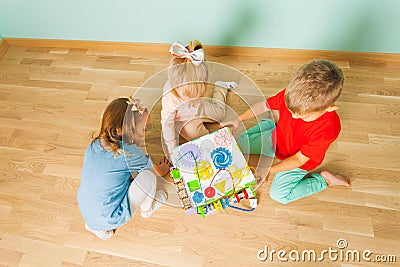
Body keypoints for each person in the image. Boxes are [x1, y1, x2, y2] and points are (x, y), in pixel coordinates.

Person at [222, 59, 350, 204]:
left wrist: (268, 170)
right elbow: (265, 105)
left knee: (279, 196)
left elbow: (299, 159)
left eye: (303, 116)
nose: (293, 117)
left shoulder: (327, 130)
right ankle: (270, 124)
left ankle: (324, 180)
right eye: (290, 110)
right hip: (279, 139)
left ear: (330, 108)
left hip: (299, 161)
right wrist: (238, 119)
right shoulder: (292, 96)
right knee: (240, 144)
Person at [77, 97, 167, 240]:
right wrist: (161, 169)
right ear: (126, 130)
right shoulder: (128, 152)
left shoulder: (94, 145)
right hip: (112, 216)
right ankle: (147, 209)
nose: (146, 133)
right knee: (148, 178)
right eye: (143, 129)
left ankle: (96, 227)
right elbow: (152, 169)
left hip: (87, 210)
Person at [160, 40, 237, 161]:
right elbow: (167, 125)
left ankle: (220, 87)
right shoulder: (170, 100)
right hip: (184, 120)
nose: (194, 97)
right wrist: (172, 151)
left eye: (199, 93)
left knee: (221, 114)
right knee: (203, 141)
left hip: (200, 109)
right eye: (189, 96)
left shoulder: (197, 83)